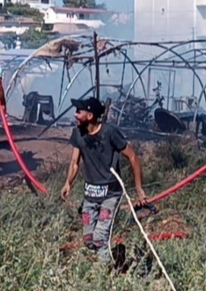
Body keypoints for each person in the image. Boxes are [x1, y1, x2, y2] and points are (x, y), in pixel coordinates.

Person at [61, 97, 147, 265]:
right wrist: (68, 183)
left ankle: (105, 275)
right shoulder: (78, 133)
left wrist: (139, 189)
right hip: (90, 195)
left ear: (90, 115)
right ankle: (117, 255)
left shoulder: (109, 133)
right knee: (88, 239)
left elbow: (133, 157)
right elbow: (74, 163)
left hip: (111, 194)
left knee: (100, 237)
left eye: (79, 112)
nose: (75, 115)